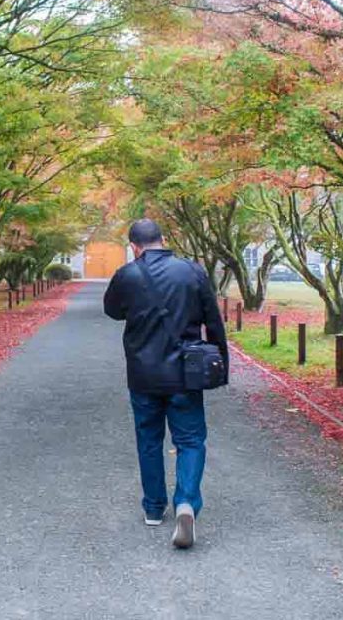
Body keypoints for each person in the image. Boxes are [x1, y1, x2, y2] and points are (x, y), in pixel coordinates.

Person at [103, 218, 228, 549]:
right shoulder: (193, 271)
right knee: (190, 440)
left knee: (148, 439)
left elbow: (112, 311)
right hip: (186, 374)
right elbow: (213, 320)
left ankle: (154, 509)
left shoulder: (126, 275)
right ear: (164, 239)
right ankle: (186, 503)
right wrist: (221, 367)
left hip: (143, 375)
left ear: (134, 247)